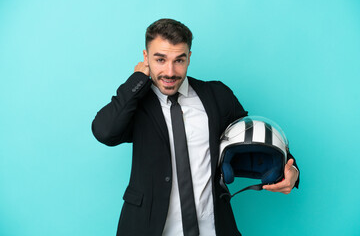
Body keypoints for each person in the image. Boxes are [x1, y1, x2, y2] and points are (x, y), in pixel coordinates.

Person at [92, 18, 299, 236]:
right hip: (148, 228)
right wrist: (136, 80)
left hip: (214, 229)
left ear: (189, 58)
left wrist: (290, 171)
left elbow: (256, 137)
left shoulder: (217, 96)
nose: (170, 72)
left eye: (179, 60)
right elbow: (104, 131)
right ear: (145, 58)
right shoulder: (137, 102)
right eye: (160, 60)